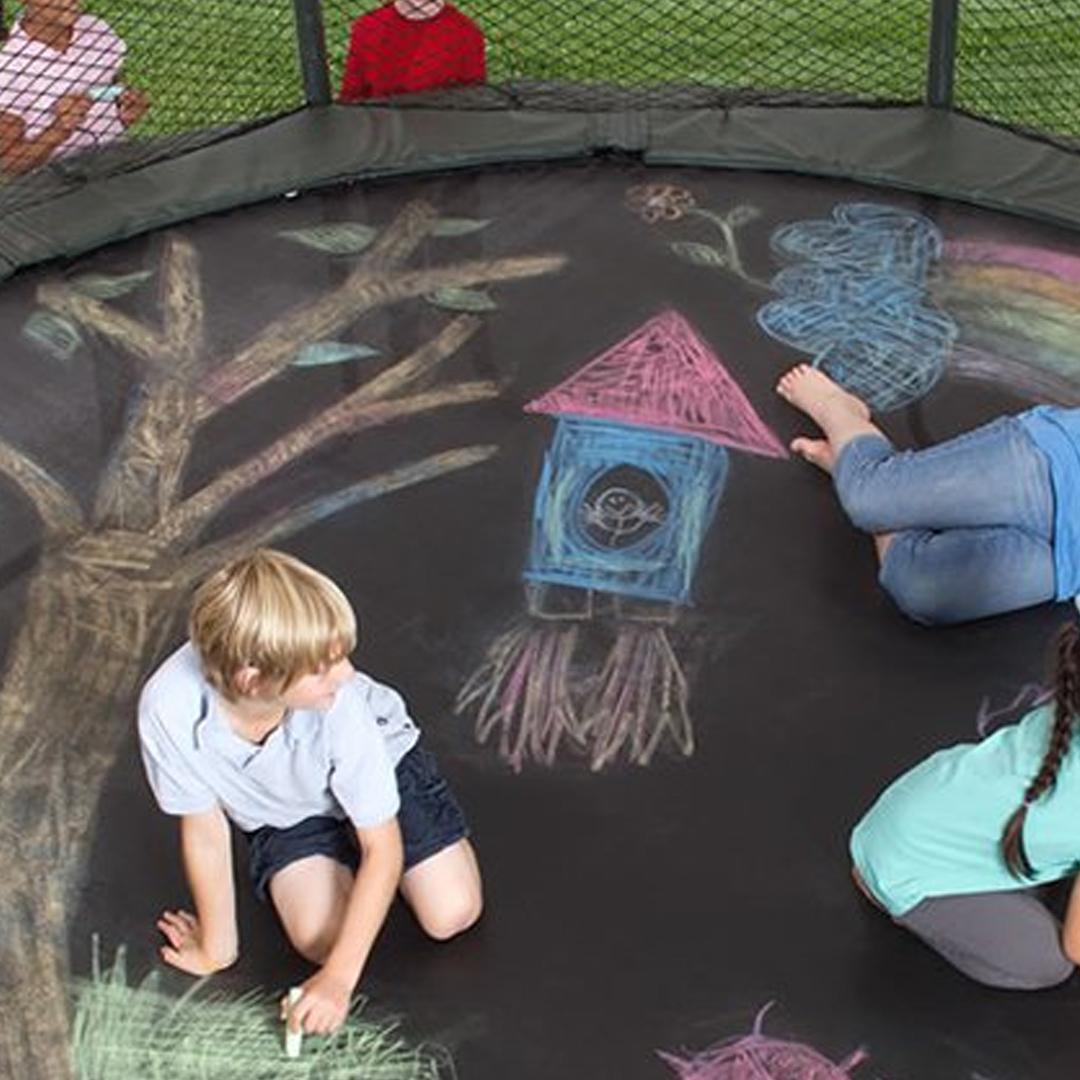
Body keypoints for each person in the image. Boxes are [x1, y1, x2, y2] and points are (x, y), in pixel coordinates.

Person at [138, 549, 482, 1036]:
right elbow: (205, 827)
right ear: (251, 678)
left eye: (341, 655)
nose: (345, 675)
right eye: (322, 667)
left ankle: (395, 855)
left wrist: (338, 980)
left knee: (451, 914)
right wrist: (218, 948)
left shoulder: (344, 703)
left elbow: (381, 846)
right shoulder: (168, 707)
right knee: (323, 939)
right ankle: (336, 862)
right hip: (286, 812)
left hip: (382, 767)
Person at [850, 621, 1080, 989]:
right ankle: (905, 904)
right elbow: (1076, 947)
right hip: (906, 863)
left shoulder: (1070, 712)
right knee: (1047, 963)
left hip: (924, 806)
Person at [776, 362, 1080, 625]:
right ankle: (840, 410)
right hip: (1058, 466)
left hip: (1067, 566)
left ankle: (855, 465)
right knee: (867, 498)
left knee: (918, 587)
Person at [0, 0, 148, 176]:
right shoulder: (9, 69)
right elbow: (7, 162)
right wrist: (60, 128)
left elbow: (112, 87)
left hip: (119, 163)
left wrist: (124, 116)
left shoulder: (96, 30)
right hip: (59, 187)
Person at [339, 0, 485, 103]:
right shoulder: (368, 27)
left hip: (440, 132)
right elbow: (351, 96)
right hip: (384, 130)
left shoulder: (466, 32)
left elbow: (472, 101)